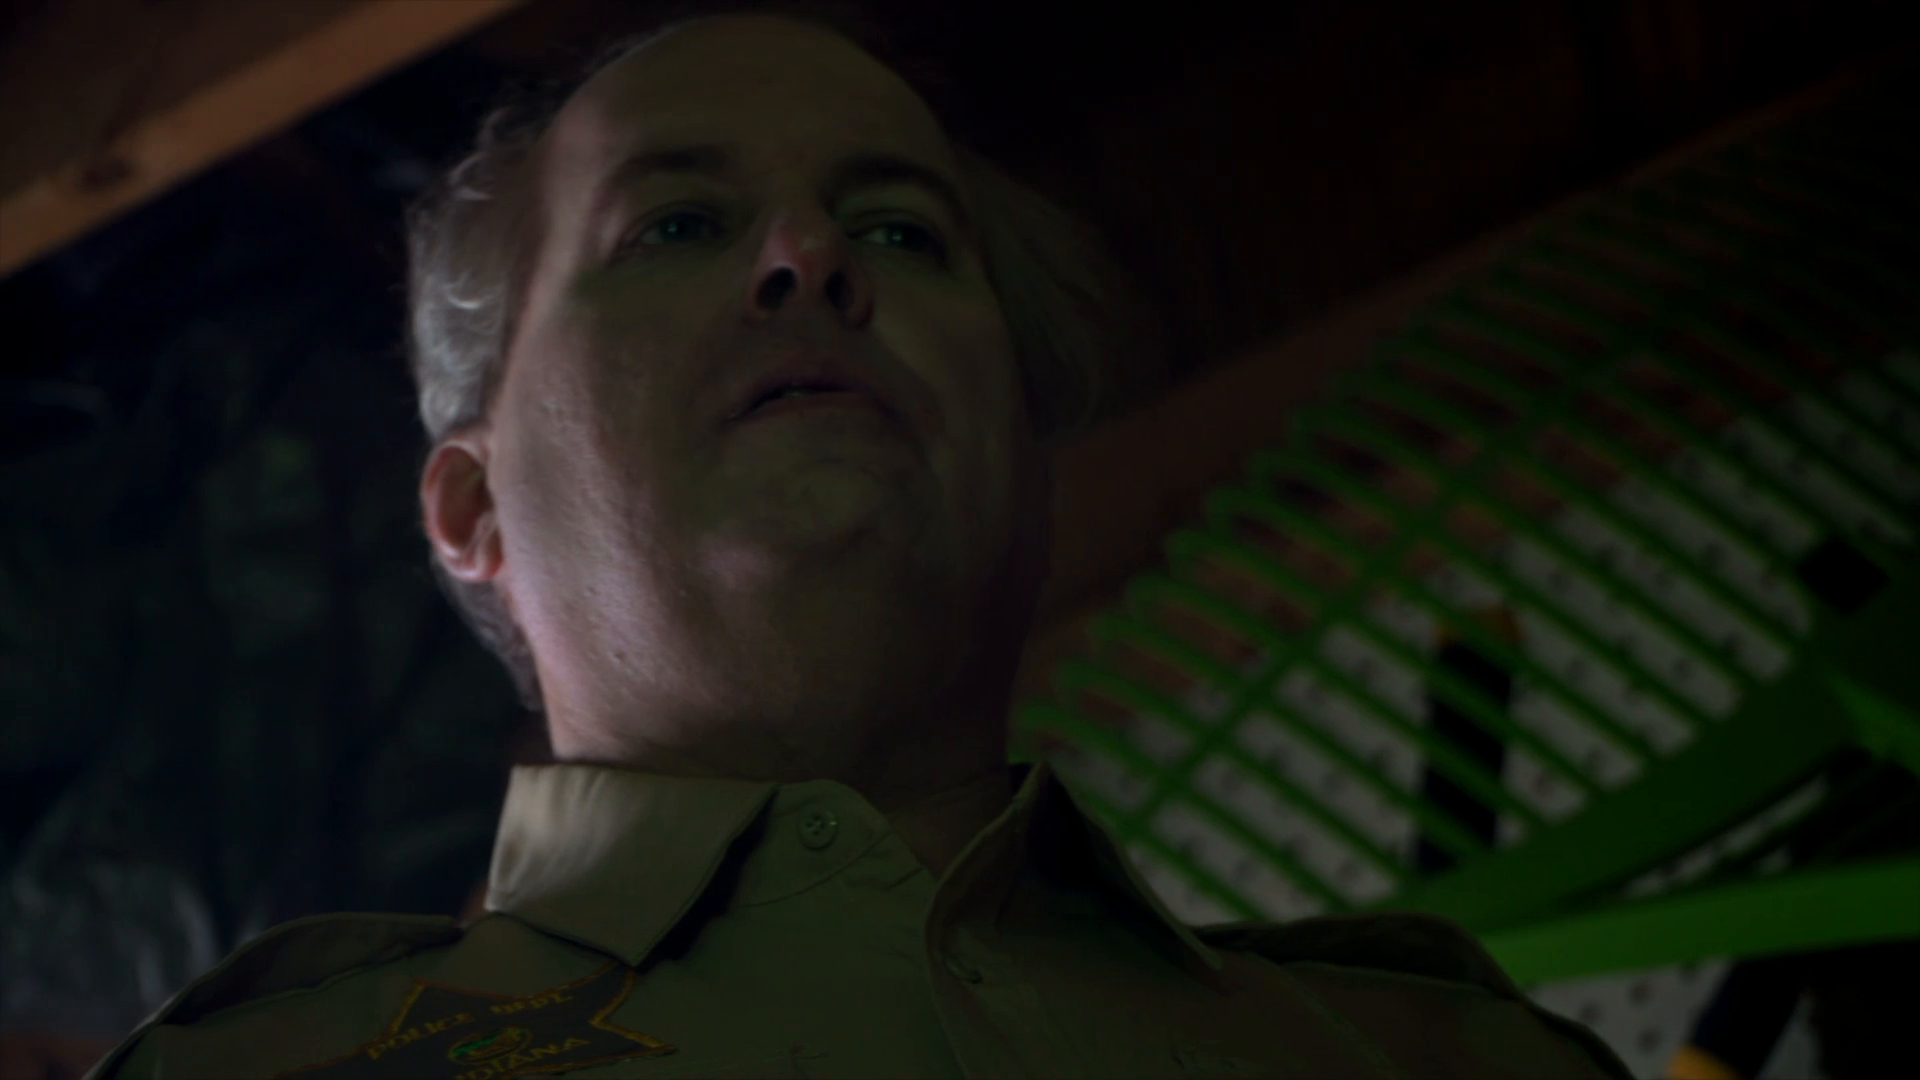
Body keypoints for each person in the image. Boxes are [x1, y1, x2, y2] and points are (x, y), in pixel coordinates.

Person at [88, 6, 1632, 1077]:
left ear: (1026, 465)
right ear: (475, 509)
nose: (810, 255)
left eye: (902, 229)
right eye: (676, 223)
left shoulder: (1449, 1060)